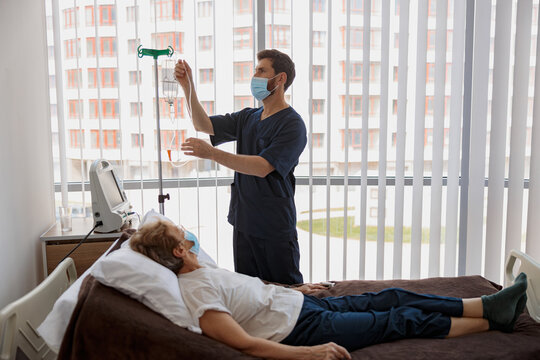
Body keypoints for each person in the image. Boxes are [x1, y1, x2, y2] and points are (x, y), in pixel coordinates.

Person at [130, 220, 529, 360]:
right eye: (181, 235)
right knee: (396, 320)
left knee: (391, 295)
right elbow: (244, 344)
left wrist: (294, 288)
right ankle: (494, 323)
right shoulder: (196, 292)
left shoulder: (204, 272)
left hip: (302, 305)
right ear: (180, 250)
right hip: (302, 331)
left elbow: (249, 294)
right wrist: (308, 353)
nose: (188, 234)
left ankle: (487, 304)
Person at [174, 49, 306, 285]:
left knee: (286, 292)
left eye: (261, 70)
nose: (254, 76)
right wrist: (188, 86)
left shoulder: (292, 124)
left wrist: (212, 153)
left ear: (280, 79)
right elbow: (203, 124)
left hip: (273, 228)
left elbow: (263, 166)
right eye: (255, 70)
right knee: (249, 293)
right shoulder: (248, 117)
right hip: (244, 224)